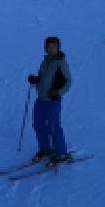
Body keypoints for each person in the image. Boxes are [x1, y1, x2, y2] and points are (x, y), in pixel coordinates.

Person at [27, 36, 72, 165]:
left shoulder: (61, 63)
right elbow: (44, 79)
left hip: (53, 100)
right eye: (49, 46)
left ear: (58, 47)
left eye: (54, 46)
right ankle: (46, 149)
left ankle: (62, 153)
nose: (51, 49)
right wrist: (36, 80)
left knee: (54, 126)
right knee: (38, 125)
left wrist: (58, 92)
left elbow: (69, 81)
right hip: (41, 99)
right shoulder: (45, 61)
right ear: (45, 48)